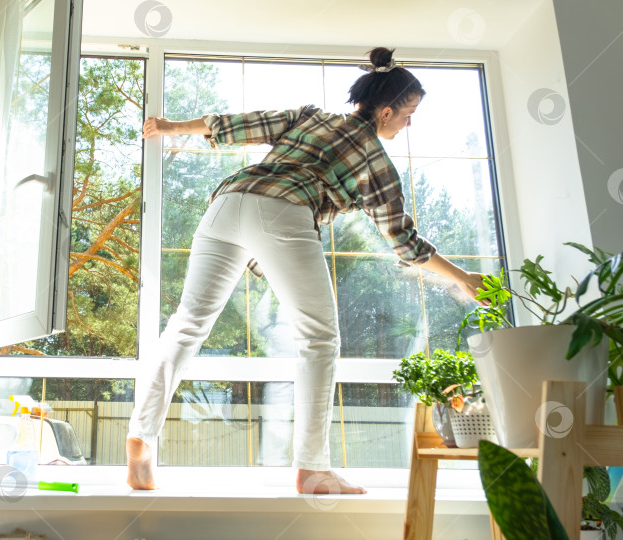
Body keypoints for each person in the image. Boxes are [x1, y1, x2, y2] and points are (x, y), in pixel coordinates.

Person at [126, 47, 488, 494]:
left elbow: (239, 124)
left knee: (186, 327)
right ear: (387, 110)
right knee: (320, 338)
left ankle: (141, 439)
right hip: (282, 208)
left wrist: (168, 128)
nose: (408, 123)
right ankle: (312, 469)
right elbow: (404, 242)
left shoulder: (311, 116)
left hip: (226, 203)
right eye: (409, 114)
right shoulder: (377, 161)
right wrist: (462, 278)